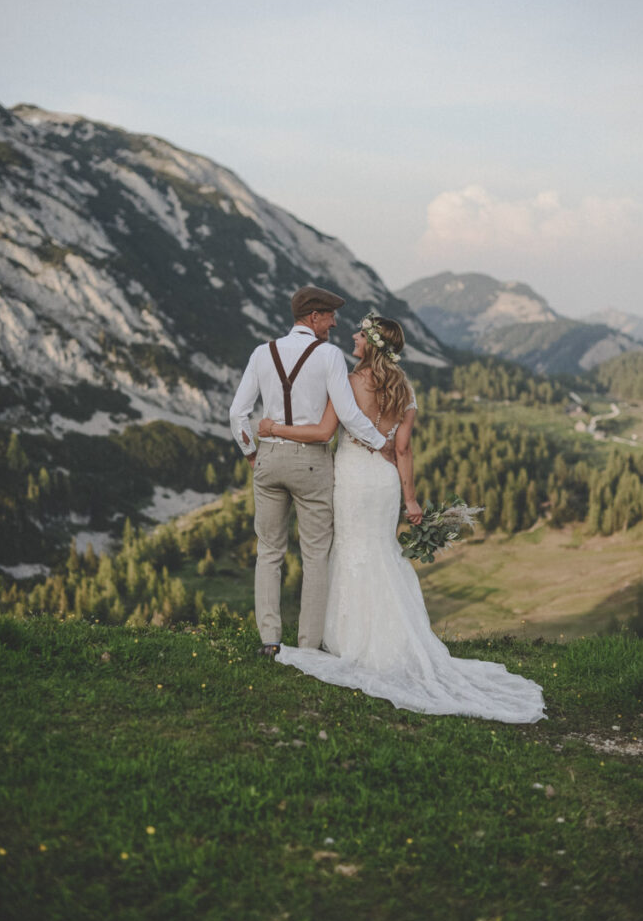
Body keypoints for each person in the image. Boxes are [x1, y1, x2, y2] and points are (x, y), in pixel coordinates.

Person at [258, 312, 545, 724]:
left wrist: (273, 428)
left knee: (349, 550)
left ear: (372, 343)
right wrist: (410, 500)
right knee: (380, 550)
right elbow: (404, 449)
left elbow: (325, 430)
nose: (353, 336)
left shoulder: (350, 382)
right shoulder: (404, 388)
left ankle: (347, 638)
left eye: (360, 333)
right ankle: (392, 638)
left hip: (353, 476)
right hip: (386, 481)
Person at [229, 286, 394, 658]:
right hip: (311, 461)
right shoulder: (329, 356)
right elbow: (348, 414)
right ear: (314, 317)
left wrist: (251, 453)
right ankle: (307, 646)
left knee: (269, 551)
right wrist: (379, 443)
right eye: (330, 316)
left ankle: (270, 641)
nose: (335, 323)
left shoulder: (262, 353)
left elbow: (237, 414)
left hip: (270, 458)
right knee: (316, 554)